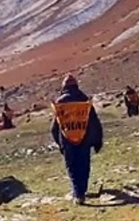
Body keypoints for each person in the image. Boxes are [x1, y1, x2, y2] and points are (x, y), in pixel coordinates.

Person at [51, 74, 103, 205]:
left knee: (72, 166)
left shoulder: (60, 102)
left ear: (64, 87)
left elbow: (55, 127)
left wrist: (60, 143)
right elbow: (94, 122)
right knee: (84, 165)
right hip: (84, 138)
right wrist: (97, 140)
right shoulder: (84, 100)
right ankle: (82, 191)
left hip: (67, 140)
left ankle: (78, 194)